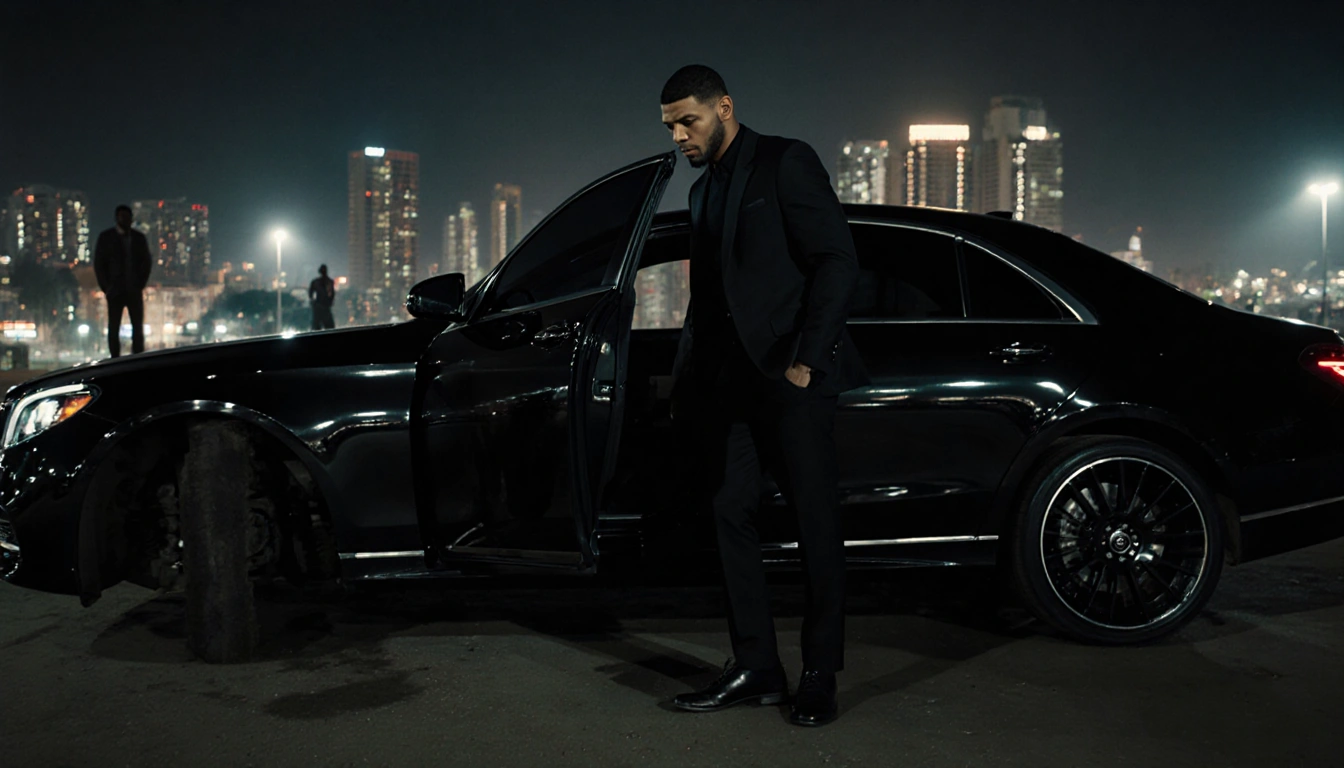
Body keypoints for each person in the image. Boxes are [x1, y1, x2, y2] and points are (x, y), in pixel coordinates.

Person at [659, 65, 869, 727]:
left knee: (814, 523)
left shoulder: (784, 162)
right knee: (728, 510)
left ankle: (819, 674)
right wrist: (689, 379)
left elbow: (837, 259)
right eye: (670, 126)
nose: (679, 136)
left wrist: (807, 361)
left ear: (724, 106)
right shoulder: (701, 193)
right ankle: (756, 666)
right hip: (733, 389)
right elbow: (710, 301)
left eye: (688, 120)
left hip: (792, 378)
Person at [93, 204, 152, 357]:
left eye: (127, 217)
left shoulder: (139, 238)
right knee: (114, 328)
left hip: (133, 289)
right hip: (116, 291)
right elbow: (99, 264)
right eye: (122, 217)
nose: (124, 220)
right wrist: (107, 288)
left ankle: (137, 358)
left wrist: (140, 284)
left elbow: (146, 262)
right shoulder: (106, 238)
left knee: (137, 329)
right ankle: (115, 360)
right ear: (117, 218)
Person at [308, 264, 336, 330]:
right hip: (322, 307)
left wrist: (313, 302)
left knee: (321, 328)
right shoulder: (328, 282)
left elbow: (310, 294)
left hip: (322, 307)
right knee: (327, 328)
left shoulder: (317, 282)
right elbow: (332, 295)